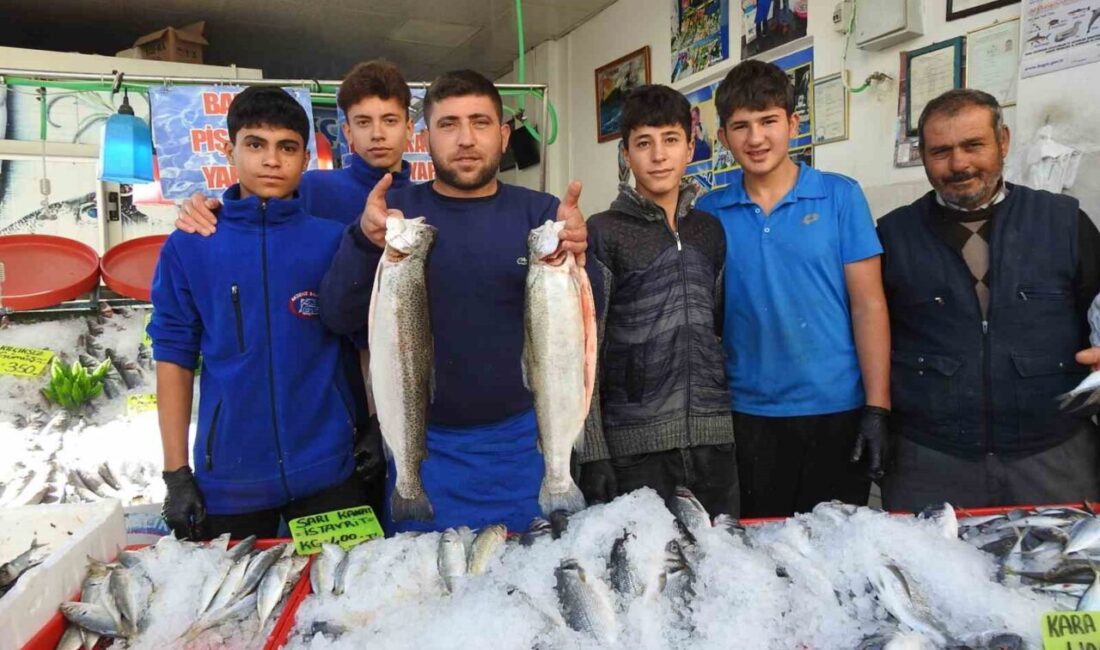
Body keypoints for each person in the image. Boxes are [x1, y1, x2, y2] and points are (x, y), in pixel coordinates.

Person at [318, 69, 597, 534]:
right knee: (428, 577)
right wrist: (365, 242)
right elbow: (337, 316)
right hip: (422, 445)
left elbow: (587, 324)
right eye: (448, 124)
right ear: (425, 137)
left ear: (503, 135)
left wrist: (582, 259)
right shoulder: (396, 216)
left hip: (526, 445)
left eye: (480, 122)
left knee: (529, 572)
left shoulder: (543, 215)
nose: (466, 139)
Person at [173, 59, 418, 521]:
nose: (377, 134)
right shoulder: (312, 189)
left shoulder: (425, 202)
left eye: (389, 120)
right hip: (243, 458)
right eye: (363, 122)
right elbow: (255, 209)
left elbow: (365, 334)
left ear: (410, 127)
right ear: (345, 132)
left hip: (349, 437)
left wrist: (375, 421)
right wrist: (201, 207)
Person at [149, 87, 366, 539]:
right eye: (255, 144)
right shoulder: (191, 244)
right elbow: (173, 357)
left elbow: (365, 342)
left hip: (331, 472)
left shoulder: (333, 241)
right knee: (236, 589)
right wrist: (176, 473)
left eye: (286, 147)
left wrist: (374, 426)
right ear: (229, 151)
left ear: (305, 158)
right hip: (231, 481)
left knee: (345, 586)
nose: (271, 160)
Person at [877, 89, 1100, 510]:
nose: (959, 164)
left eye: (973, 145)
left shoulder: (1064, 221)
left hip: (1053, 455)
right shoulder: (892, 235)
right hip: (930, 460)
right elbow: (865, 334)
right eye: (941, 151)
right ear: (922, 156)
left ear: (1003, 141)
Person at [696, 60, 891, 518]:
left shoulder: (840, 196)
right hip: (746, 413)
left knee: (835, 547)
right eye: (741, 126)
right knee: (760, 545)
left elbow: (868, 305)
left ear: (793, 124)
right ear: (723, 138)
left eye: (768, 121)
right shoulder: (709, 212)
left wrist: (878, 408)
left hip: (836, 409)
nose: (756, 138)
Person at [578, 85, 738, 517]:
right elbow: (587, 350)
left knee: (720, 555)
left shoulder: (709, 231)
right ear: (626, 154)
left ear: (690, 146)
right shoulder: (603, 232)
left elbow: (716, 330)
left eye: (670, 140)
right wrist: (593, 451)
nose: (659, 155)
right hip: (634, 451)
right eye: (643, 143)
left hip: (713, 444)